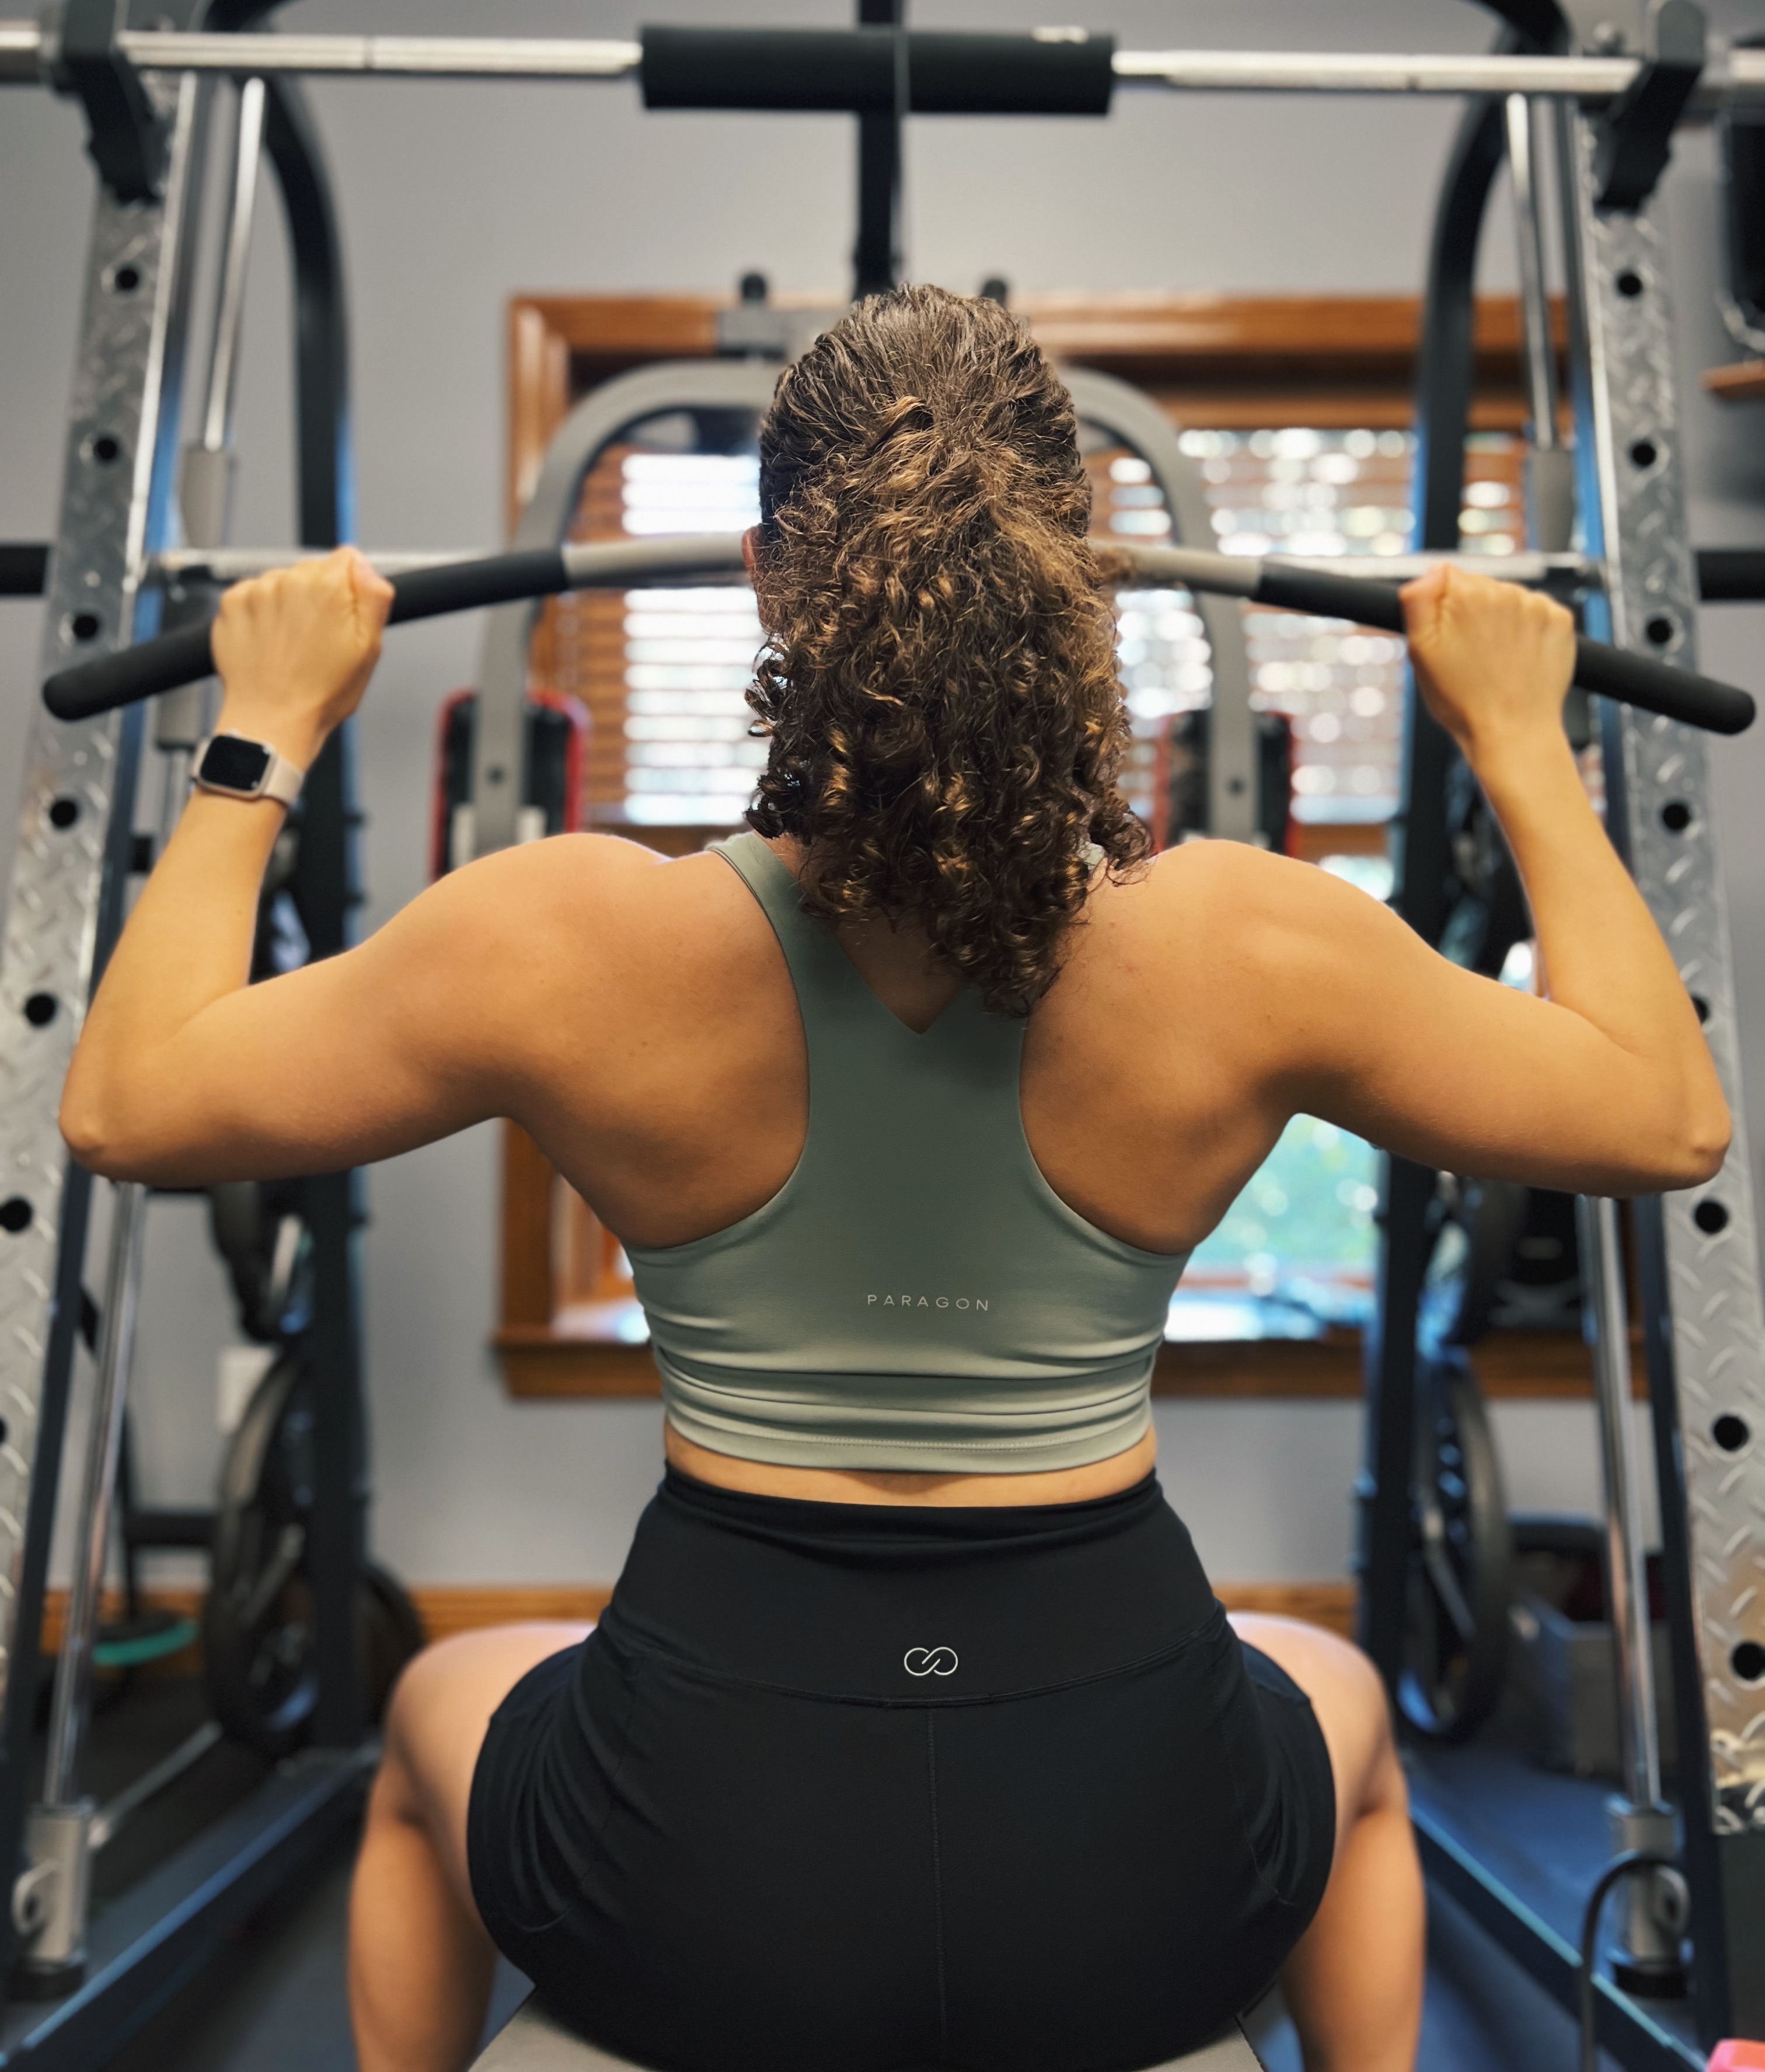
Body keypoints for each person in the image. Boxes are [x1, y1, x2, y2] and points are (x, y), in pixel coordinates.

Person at [62, 288, 1728, 2072]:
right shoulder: (1254, 941)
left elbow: (130, 1101)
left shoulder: (564, 937)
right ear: (1078, 567)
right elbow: (1665, 1117)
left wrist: (266, 725)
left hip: (692, 1869)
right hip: (1137, 1876)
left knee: (422, 1724)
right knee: (1346, 1722)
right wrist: (1525, 742)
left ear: (775, 580)